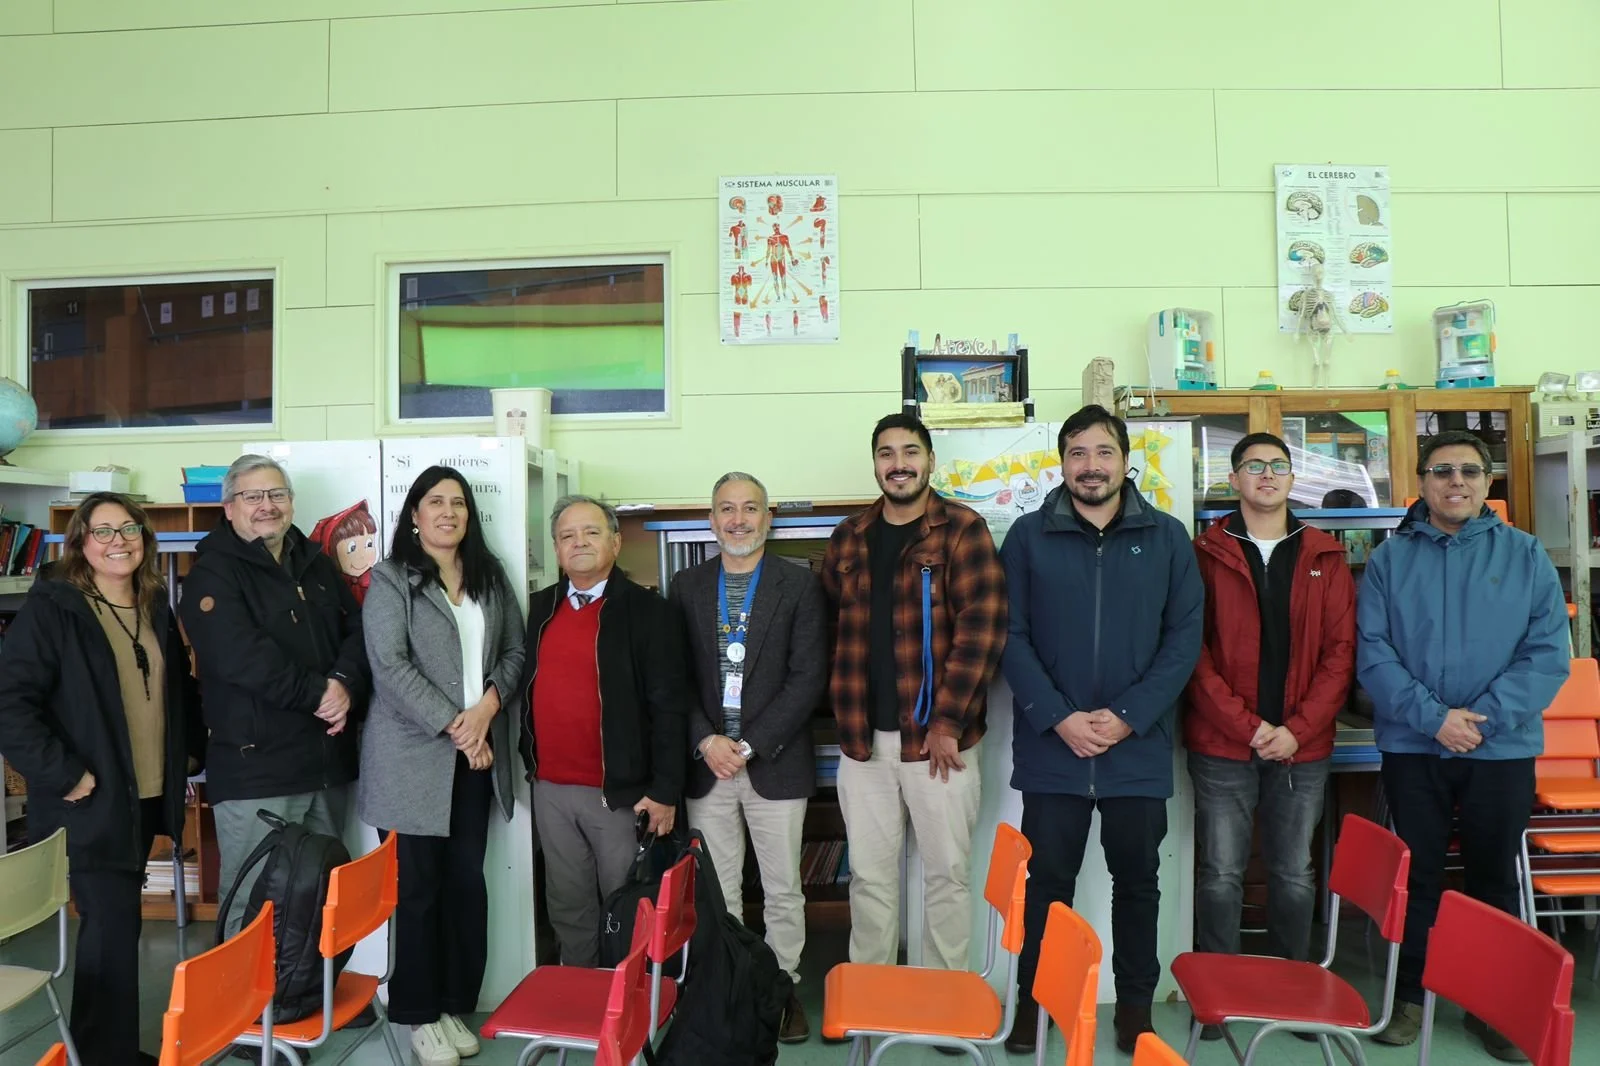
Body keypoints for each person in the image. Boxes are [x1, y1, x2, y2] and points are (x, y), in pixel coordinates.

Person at [999, 404, 1203, 1055]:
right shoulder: (1027, 539)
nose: (1092, 466)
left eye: (1104, 452)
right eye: (1079, 453)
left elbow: (1184, 640)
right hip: (1052, 751)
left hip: (1134, 753)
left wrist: (1127, 717)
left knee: (1138, 885)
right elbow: (1010, 635)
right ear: (1062, 464)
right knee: (1047, 888)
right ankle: (1034, 1005)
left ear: (1125, 461)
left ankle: (1134, 1011)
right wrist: (1058, 717)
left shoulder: (1168, 538)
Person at [1361, 431, 1568, 1058]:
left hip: (1500, 751)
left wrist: (1477, 722)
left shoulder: (1527, 556)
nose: (1457, 482)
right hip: (1414, 748)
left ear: (1487, 482)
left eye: (1470, 472)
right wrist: (1434, 720)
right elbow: (1374, 655)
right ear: (1422, 482)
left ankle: (1490, 1006)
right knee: (1416, 879)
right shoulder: (1388, 562)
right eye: (1443, 471)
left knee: (1493, 879)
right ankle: (1411, 1001)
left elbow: (1546, 656)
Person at [0, 493, 204, 1066]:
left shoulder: (153, 602)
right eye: (103, 530)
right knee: (112, 930)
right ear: (82, 543)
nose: (119, 540)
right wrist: (67, 777)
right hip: (86, 802)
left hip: (143, 797)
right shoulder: (55, 609)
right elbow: (11, 704)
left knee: (116, 929)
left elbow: (179, 688)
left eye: (130, 528)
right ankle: (105, 1055)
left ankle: (100, 1050)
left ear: (145, 536)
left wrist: (190, 754)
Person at [820, 412, 1007, 972]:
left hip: (938, 744)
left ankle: (945, 1000)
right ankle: (873, 999)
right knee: (871, 878)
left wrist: (947, 723)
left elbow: (983, 632)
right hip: (862, 745)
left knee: (946, 875)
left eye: (909, 452)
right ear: (875, 463)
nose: (897, 464)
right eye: (885, 453)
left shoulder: (963, 530)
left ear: (929, 460)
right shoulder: (848, 537)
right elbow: (830, 629)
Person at [358, 467, 526, 1066]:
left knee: (465, 886)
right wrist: (462, 728)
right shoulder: (390, 580)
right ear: (414, 515)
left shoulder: (489, 576)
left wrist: (486, 709)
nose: (448, 512)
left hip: (476, 761)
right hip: (410, 763)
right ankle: (415, 1013)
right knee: (418, 891)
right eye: (436, 502)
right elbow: (391, 666)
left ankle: (454, 1001)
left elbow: (514, 652)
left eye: (458, 503)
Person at [1185, 434, 1355, 1011]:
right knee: (1220, 874)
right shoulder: (1203, 553)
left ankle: (1295, 989)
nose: (1266, 475)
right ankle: (1220, 993)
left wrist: (1296, 730)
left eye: (1278, 466)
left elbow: (1340, 655)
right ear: (1233, 479)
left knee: (1293, 875)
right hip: (1223, 745)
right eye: (1253, 466)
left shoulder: (1324, 555)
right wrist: (1248, 727)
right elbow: (1193, 654)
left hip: (1301, 749)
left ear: (1291, 479)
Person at [180, 454, 371, 936]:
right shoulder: (212, 574)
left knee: (319, 898)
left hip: (326, 765)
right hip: (257, 770)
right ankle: (242, 1011)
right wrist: (319, 695)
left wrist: (345, 685)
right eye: (253, 496)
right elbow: (242, 658)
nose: (267, 506)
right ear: (228, 507)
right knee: (253, 900)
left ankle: (308, 1004)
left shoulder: (314, 561)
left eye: (277, 494)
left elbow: (359, 632)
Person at [670, 471, 827, 1043]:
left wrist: (748, 744)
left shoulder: (800, 585)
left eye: (750, 509)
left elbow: (808, 678)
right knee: (719, 890)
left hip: (774, 763)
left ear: (769, 518)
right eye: (726, 509)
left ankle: (780, 993)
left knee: (784, 888)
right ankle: (732, 990)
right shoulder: (685, 586)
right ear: (711, 521)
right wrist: (706, 741)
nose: (738, 519)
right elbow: (675, 679)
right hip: (707, 766)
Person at [519, 494, 689, 967]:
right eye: (567, 536)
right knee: (569, 908)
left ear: (615, 541)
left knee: (627, 907)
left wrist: (665, 791)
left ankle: (627, 1009)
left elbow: (671, 709)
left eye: (591, 532)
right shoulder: (539, 609)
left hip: (619, 794)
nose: (579, 543)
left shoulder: (648, 612)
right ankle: (581, 1003)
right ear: (556, 549)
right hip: (551, 790)